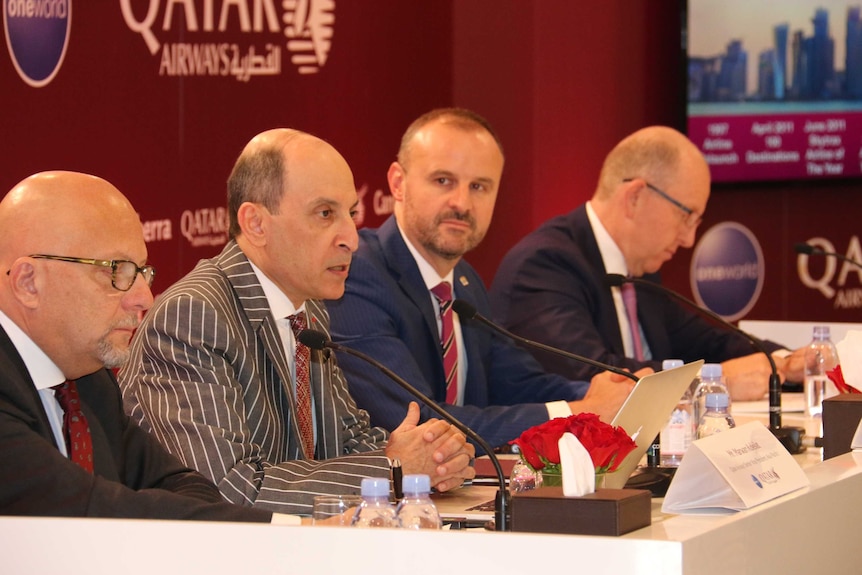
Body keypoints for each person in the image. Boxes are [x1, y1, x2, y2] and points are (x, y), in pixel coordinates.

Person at [119, 128, 475, 516]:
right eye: (325, 214)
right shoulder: (193, 316)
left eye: (351, 213)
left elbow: (347, 438)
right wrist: (391, 469)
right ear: (255, 223)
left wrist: (429, 456)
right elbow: (225, 491)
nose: (351, 239)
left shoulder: (307, 308)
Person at [327, 108, 639, 451]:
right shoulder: (359, 275)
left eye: (479, 186)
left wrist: (610, 392)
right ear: (398, 183)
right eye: (443, 180)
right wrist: (578, 412)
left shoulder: (464, 281)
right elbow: (424, 425)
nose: (462, 203)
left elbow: (518, 383)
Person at [0, 170, 273, 522]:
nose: (144, 297)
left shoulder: (89, 381)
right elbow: (83, 510)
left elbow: (186, 485)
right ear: (28, 283)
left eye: (142, 271)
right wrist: (294, 531)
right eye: (116, 270)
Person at [489, 126, 805, 401]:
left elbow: (706, 341)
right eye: (686, 217)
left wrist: (787, 362)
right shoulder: (545, 265)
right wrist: (715, 381)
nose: (689, 239)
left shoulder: (641, 271)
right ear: (636, 196)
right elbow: (595, 376)